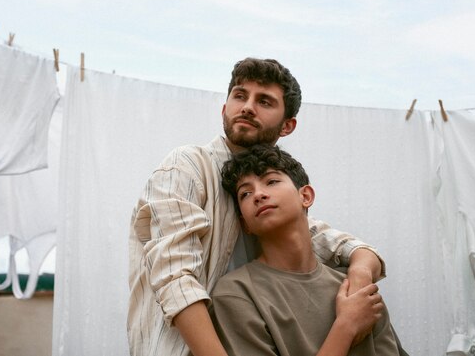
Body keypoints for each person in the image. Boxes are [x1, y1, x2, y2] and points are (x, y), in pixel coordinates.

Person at [128, 58, 386, 356]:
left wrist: (360, 279)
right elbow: (175, 278)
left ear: (287, 125)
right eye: (240, 95)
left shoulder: (274, 197)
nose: (248, 107)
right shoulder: (186, 166)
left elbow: (331, 241)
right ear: (224, 109)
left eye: (264, 101)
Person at [212, 145, 407, 356]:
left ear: (306, 196)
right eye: (245, 193)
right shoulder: (236, 293)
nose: (258, 195)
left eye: (272, 181)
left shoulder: (356, 288)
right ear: (245, 224)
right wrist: (346, 326)